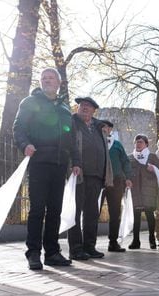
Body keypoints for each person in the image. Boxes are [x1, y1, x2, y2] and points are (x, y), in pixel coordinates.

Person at [13, 68, 81, 270]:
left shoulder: (64, 108)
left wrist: (75, 161)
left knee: (55, 210)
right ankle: (33, 253)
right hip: (39, 162)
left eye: (51, 78)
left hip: (60, 165)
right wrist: (25, 144)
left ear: (58, 82)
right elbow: (18, 127)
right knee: (37, 209)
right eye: (44, 78)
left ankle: (52, 252)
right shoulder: (30, 102)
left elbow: (71, 136)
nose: (47, 81)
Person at [69, 96, 113, 260]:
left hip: (96, 175)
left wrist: (105, 174)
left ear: (94, 110)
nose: (84, 108)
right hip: (78, 174)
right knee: (75, 211)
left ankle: (89, 246)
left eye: (88, 106)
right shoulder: (72, 123)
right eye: (82, 105)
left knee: (92, 213)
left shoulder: (98, 127)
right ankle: (76, 249)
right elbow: (70, 145)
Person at [101, 120, 133, 252]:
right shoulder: (96, 143)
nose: (104, 129)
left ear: (110, 130)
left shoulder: (117, 144)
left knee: (115, 212)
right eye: (101, 127)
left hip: (116, 181)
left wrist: (128, 177)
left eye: (107, 127)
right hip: (99, 181)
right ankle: (89, 244)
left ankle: (113, 242)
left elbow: (125, 161)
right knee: (93, 211)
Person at [128, 134, 159, 250]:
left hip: (148, 191)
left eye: (141, 142)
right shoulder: (130, 157)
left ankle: (152, 240)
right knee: (136, 217)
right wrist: (127, 180)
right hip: (135, 191)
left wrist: (154, 169)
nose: (138, 144)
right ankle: (135, 241)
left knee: (150, 216)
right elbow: (126, 172)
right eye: (136, 142)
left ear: (146, 144)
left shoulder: (152, 157)